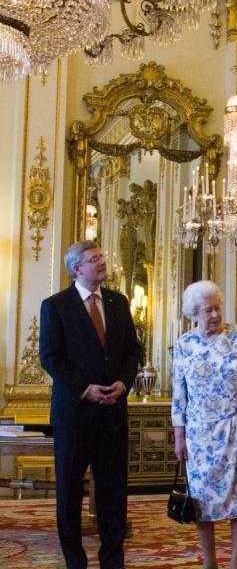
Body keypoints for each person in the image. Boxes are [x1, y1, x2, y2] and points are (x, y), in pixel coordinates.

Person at [39, 240, 142, 569]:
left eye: (102, 257)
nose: (102, 262)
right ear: (76, 268)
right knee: (69, 494)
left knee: (113, 494)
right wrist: (84, 390)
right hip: (73, 415)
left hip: (113, 412)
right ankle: (75, 562)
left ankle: (113, 561)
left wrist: (122, 385)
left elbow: (132, 352)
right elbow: (51, 357)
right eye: (94, 259)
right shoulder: (55, 306)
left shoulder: (118, 302)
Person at [171, 280, 237, 569]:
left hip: (236, 427)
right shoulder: (185, 344)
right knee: (201, 498)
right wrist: (179, 436)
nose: (215, 314)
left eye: (217, 308)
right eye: (208, 310)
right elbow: (179, 395)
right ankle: (209, 561)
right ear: (194, 313)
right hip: (200, 434)